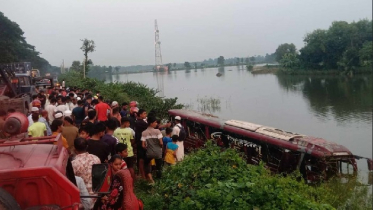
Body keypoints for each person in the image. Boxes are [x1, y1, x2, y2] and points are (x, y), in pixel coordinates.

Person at [141, 116, 163, 184]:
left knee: (146, 164)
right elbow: (161, 143)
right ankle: (159, 181)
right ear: (151, 123)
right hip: (158, 152)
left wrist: (148, 148)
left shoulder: (144, 132)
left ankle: (150, 177)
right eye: (155, 122)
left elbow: (143, 145)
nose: (156, 123)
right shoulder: (157, 131)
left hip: (149, 152)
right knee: (159, 167)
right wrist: (160, 147)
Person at [135, 109, 148, 179]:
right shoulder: (141, 123)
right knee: (141, 159)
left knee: (141, 158)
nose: (145, 115)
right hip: (141, 142)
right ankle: (143, 175)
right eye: (144, 113)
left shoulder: (138, 122)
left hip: (140, 141)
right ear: (140, 115)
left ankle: (142, 174)